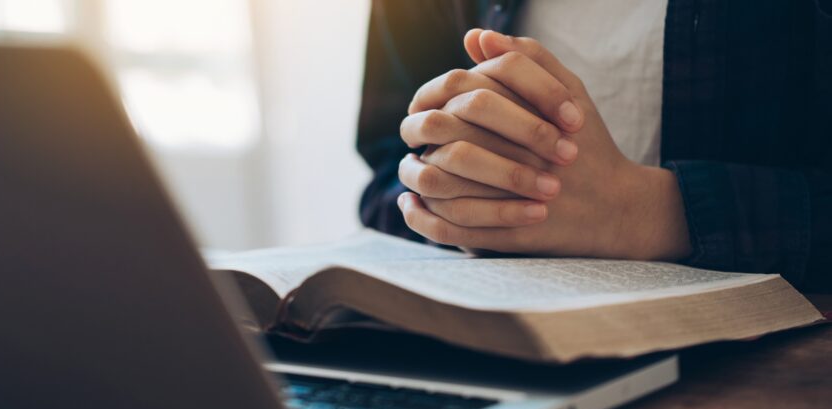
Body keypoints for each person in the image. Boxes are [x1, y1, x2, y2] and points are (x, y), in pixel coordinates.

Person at [356, 0, 832, 293]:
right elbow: (386, 164)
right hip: (495, 340)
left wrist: (643, 211)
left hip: (758, 371)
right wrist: (456, 200)